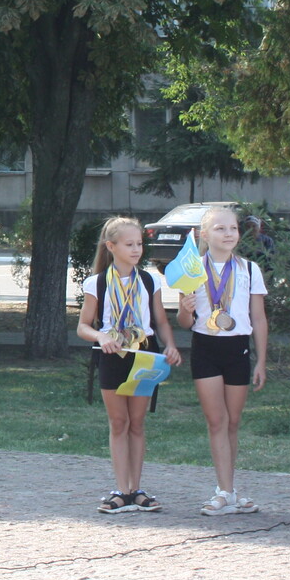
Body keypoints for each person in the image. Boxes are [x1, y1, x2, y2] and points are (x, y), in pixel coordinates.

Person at [76, 217, 180, 514]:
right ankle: (121, 490)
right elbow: (83, 326)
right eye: (129, 244)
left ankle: (137, 489)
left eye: (139, 244)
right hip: (112, 354)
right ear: (111, 247)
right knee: (118, 422)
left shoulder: (149, 280)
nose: (136, 250)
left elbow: (160, 321)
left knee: (137, 422)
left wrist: (171, 345)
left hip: (144, 354)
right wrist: (100, 336)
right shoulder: (96, 282)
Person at [175, 205, 268, 515]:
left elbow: (258, 317)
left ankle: (230, 488)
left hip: (238, 348)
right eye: (220, 229)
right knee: (217, 421)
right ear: (204, 234)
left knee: (233, 421)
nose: (228, 234)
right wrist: (186, 309)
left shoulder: (249, 270)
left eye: (232, 229)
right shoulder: (192, 269)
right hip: (206, 348)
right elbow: (185, 322)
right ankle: (223, 490)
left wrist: (262, 361)